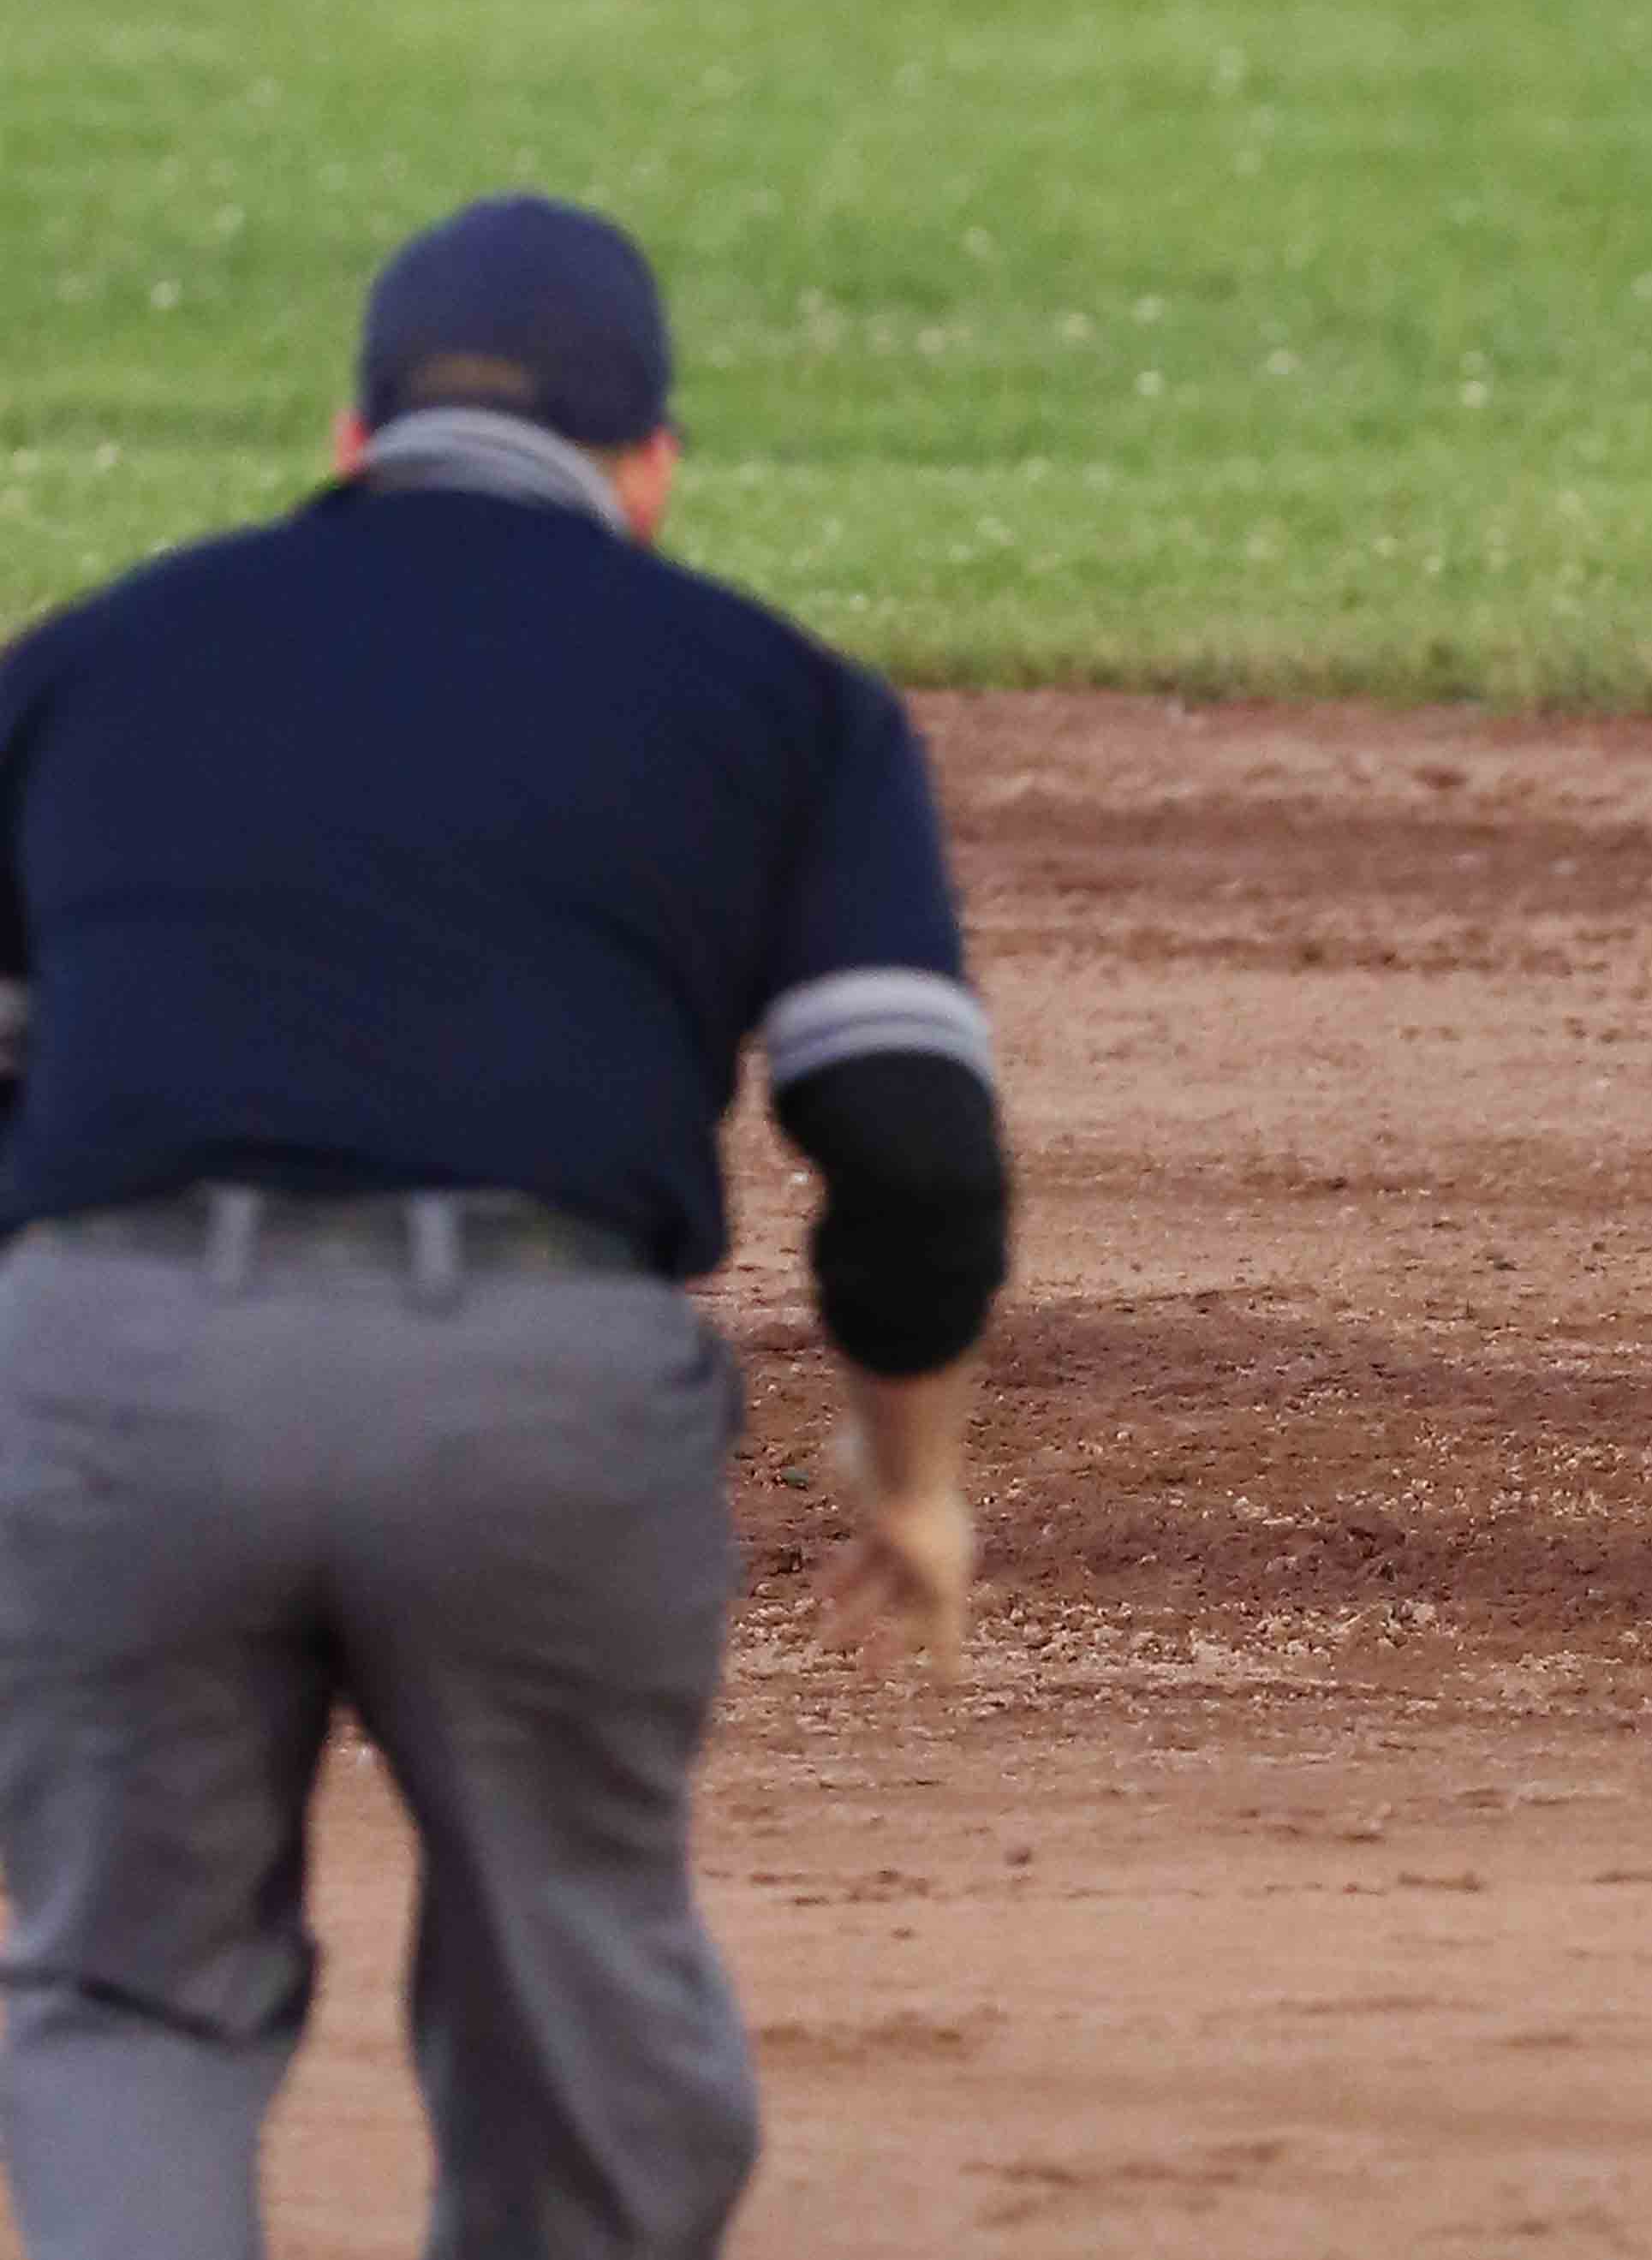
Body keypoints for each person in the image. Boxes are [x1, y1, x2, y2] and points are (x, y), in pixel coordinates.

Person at [0, 196, 1013, 2255]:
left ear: (350, 435)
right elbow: (912, 1139)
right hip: (526, 1406)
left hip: (111, 1372)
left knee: (127, 1998)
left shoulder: (83, 663)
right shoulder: (778, 699)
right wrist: (913, 1478)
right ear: (646, 472)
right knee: (576, 2004)